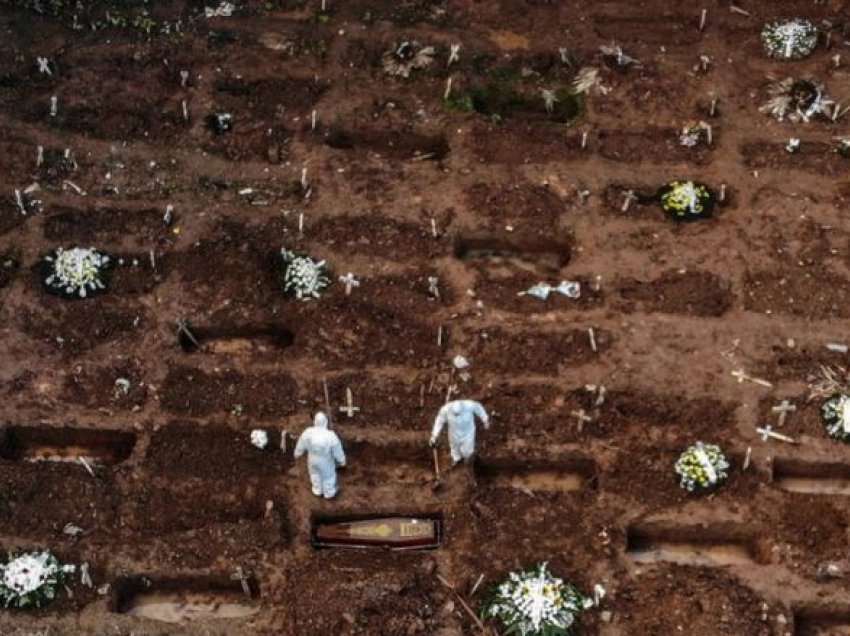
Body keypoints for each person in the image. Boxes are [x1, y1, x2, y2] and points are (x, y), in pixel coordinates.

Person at [294, 412, 346, 499]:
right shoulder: (330, 435)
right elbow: (337, 450)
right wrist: (342, 460)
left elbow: (301, 443)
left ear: (314, 421)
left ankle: (317, 490)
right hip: (325, 460)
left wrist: (297, 453)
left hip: (312, 459)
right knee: (328, 476)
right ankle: (329, 493)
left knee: (314, 474)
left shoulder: (308, 432)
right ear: (325, 422)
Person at [429, 399, 489, 467]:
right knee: (454, 448)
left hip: (468, 432)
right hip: (454, 433)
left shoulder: (469, 405)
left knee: (467, 451)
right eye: (455, 414)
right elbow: (439, 422)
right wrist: (434, 435)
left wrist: (485, 420)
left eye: (458, 414)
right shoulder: (445, 410)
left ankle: (467, 461)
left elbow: (479, 409)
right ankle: (457, 461)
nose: (457, 415)